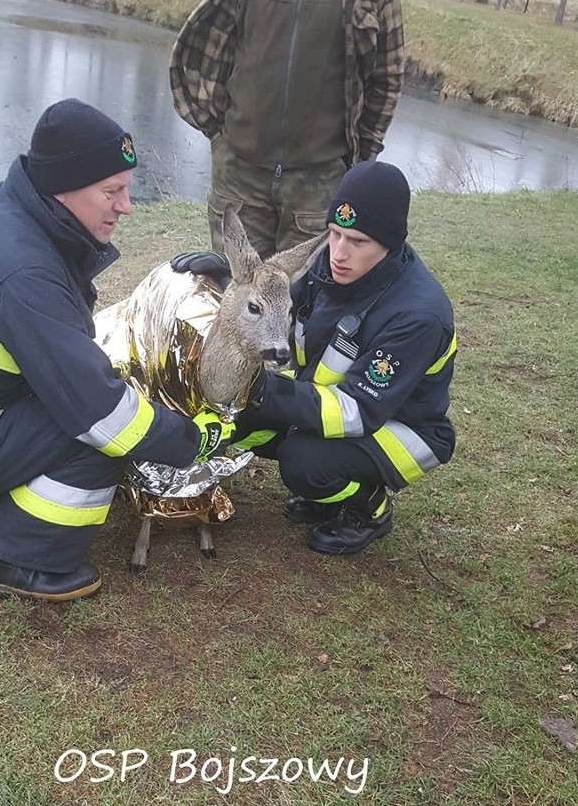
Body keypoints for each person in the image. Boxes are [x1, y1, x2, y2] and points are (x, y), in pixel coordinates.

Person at [0, 98, 233, 602]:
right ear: (64, 189)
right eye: (112, 191)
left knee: (75, 402)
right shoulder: (23, 273)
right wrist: (189, 441)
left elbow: (63, 337)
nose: (126, 206)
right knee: (99, 435)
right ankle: (18, 559)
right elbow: (102, 416)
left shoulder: (0, 216)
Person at [173, 161, 456, 555]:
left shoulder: (416, 316)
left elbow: (358, 412)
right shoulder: (337, 268)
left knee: (302, 462)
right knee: (240, 416)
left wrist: (267, 391)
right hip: (329, 400)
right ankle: (327, 493)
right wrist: (230, 279)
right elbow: (274, 304)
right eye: (336, 234)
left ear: (389, 242)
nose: (339, 252)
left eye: (357, 241)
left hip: (399, 426)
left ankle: (367, 509)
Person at [170, 0, 405, 259]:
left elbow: (387, 77)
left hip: (320, 182)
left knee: (305, 299)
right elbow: (212, 45)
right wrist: (220, 138)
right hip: (240, 173)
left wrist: (360, 162)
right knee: (237, 293)